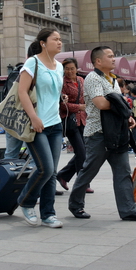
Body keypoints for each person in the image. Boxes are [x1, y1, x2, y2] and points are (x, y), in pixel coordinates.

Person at [68, 46, 136, 222]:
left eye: (114, 56)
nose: (114, 59)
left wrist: (126, 116)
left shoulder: (112, 79)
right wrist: (122, 107)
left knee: (123, 171)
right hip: (98, 134)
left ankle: (128, 210)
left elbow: (113, 103)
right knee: (89, 170)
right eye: (110, 56)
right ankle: (75, 204)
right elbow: (101, 104)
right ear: (98, 61)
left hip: (116, 133)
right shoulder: (92, 78)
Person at [16, 27, 65, 228]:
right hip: (36, 125)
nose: (59, 42)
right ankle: (26, 201)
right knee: (45, 168)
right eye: (55, 39)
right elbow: (22, 92)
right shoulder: (32, 62)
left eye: (60, 39)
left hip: (55, 124)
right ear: (43, 43)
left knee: (52, 172)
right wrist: (34, 117)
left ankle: (48, 214)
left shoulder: (59, 66)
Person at [56, 58, 87, 192]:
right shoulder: (62, 82)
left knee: (84, 151)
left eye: (72, 68)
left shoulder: (81, 80)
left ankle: (63, 175)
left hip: (83, 119)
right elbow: (62, 104)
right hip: (69, 121)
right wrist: (79, 107)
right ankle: (83, 184)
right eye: (66, 68)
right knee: (81, 152)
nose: (69, 71)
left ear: (76, 68)